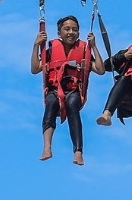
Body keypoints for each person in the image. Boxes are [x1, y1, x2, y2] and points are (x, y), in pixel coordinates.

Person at [31, 14, 104, 164]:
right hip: (53, 90)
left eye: (75, 30)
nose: (71, 32)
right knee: (51, 102)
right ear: (59, 33)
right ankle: (47, 147)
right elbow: (35, 68)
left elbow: (100, 70)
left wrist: (94, 46)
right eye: (67, 29)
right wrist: (36, 45)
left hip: (74, 91)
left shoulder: (84, 50)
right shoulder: (50, 50)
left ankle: (78, 152)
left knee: (72, 104)